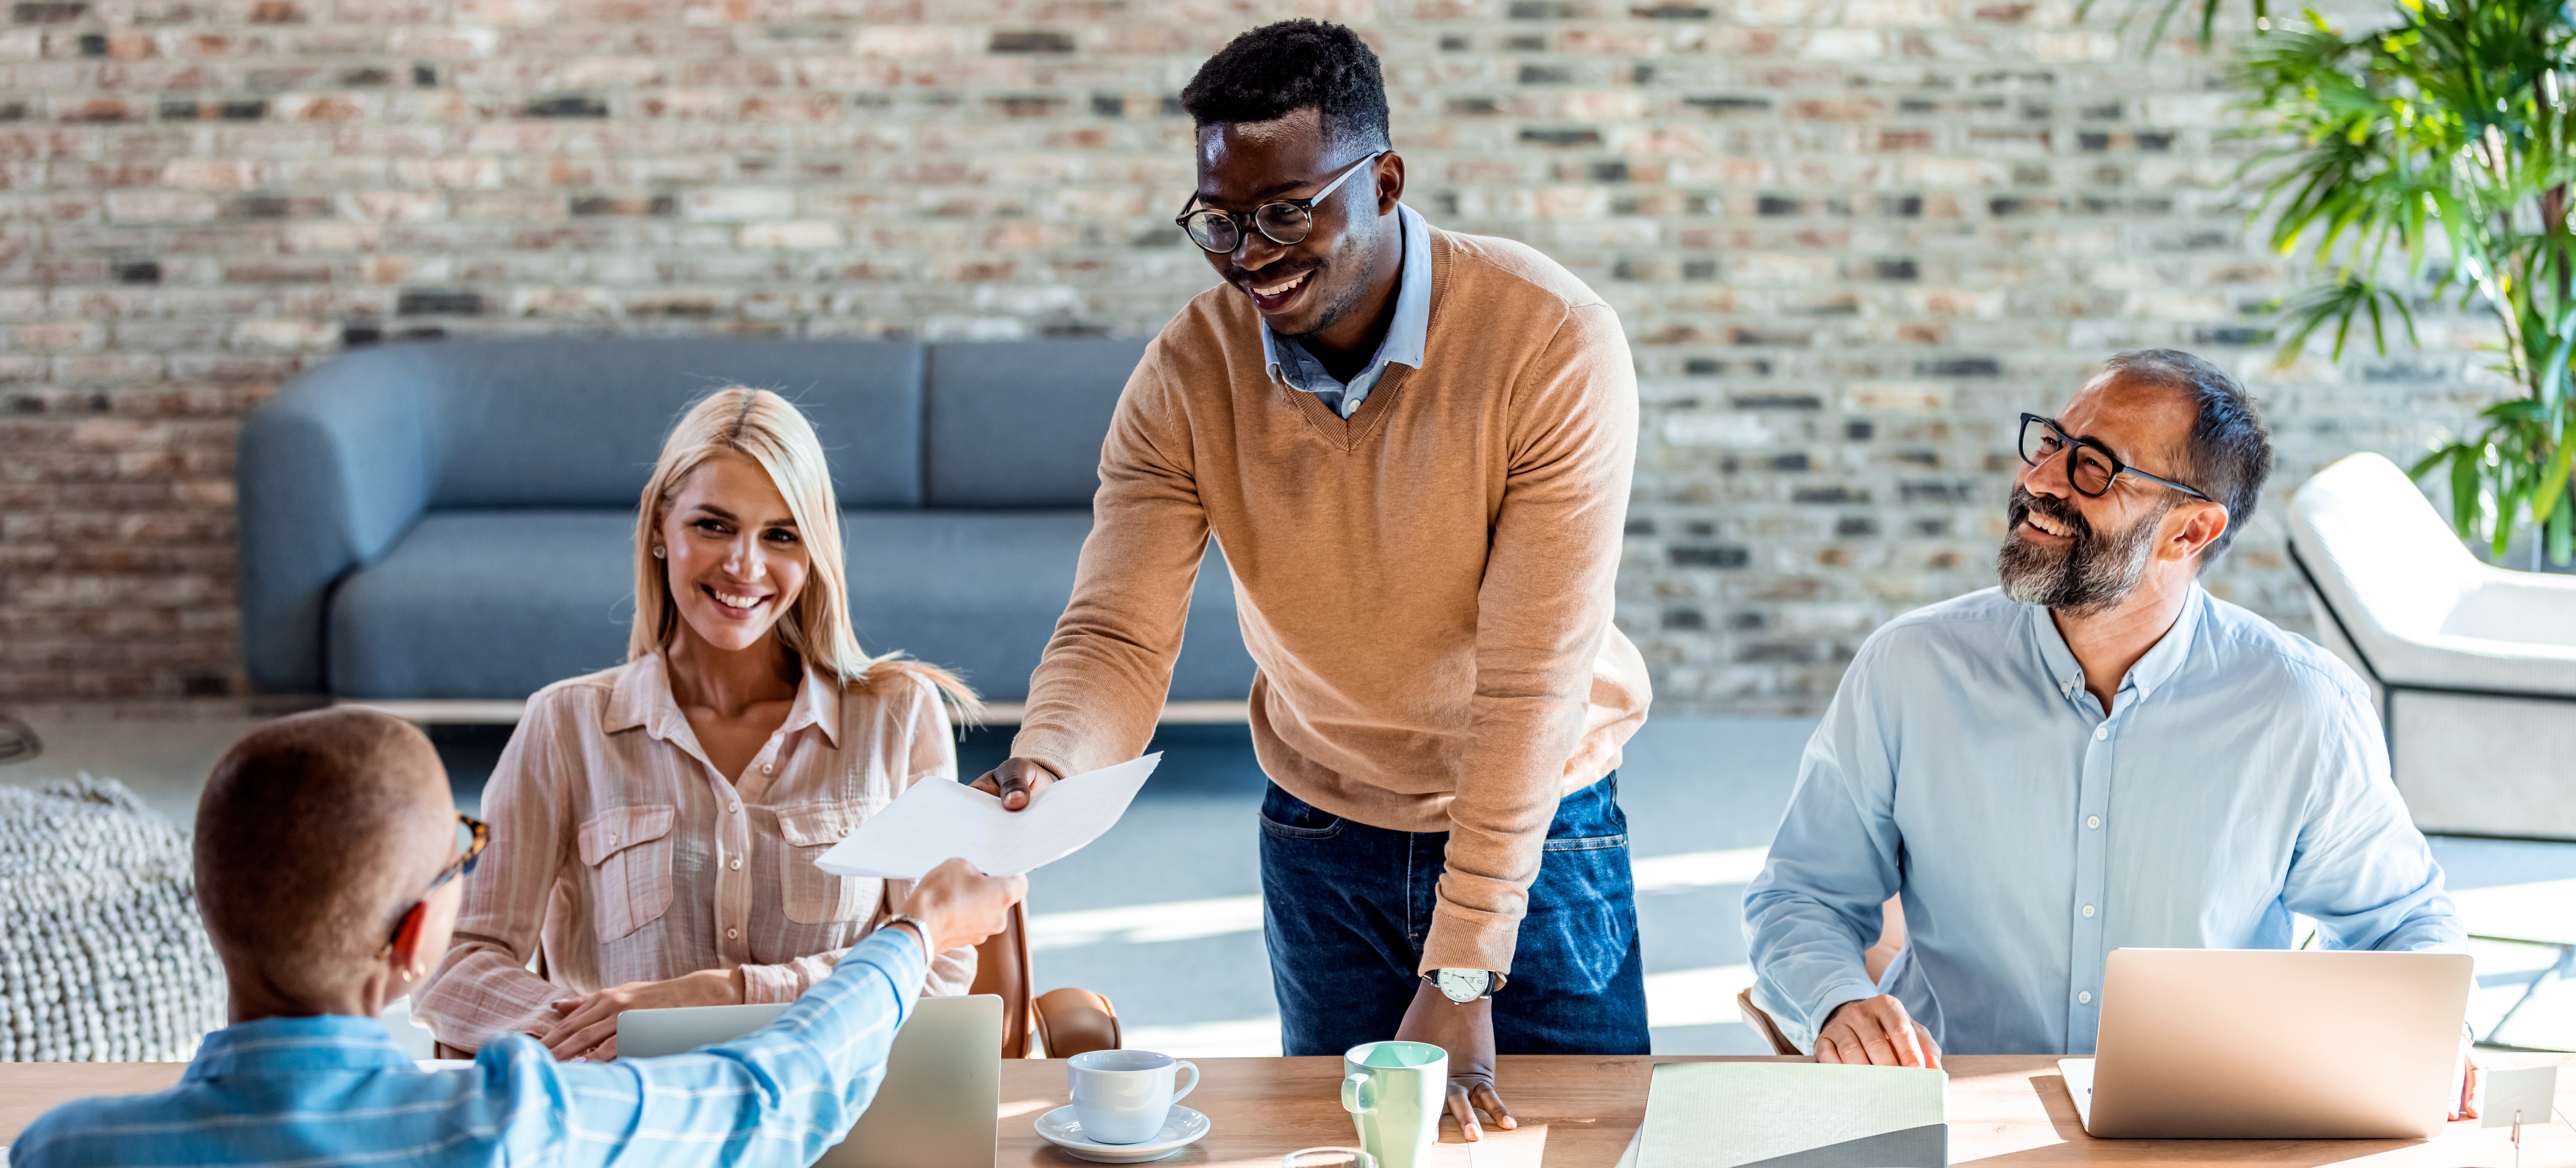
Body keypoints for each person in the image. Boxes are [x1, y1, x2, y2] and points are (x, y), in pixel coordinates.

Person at [970, 19, 1651, 1140]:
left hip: (1541, 827)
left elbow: (1532, 681)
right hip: (1323, 830)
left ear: (1384, 180)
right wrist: (1051, 758)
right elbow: (1117, 634)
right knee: (1345, 1150)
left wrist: (1468, 964)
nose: (1251, 254)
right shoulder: (1190, 372)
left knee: (1574, 1144)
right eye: (1221, 222)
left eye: (1288, 211)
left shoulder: (1550, 342)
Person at [1743, 350, 2470, 1074]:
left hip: (2199, 1121)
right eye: (2052, 442)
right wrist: (1838, 1002)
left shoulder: (2301, 707)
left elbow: (2401, 925)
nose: (2038, 480)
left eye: (2093, 466)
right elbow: (1802, 895)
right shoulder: (1908, 670)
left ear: (2188, 532)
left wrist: (2435, 1031)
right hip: (1951, 1106)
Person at [6, 707, 1025, 1167]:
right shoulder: (512, 1124)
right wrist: (918, 925)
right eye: (461, 859)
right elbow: (780, 1090)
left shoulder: (64, 1148)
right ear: (416, 942)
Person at [415, 387, 984, 1059]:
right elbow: (455, 968)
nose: (745, 566)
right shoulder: (566, 725)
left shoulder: (898, 716)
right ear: (661, 525)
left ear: (814, 553)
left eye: (780, 535)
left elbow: (938, 967)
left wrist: (719, 999)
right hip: (630, 1122)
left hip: (837, 1120)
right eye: (713, 525)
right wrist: (590, 1026)